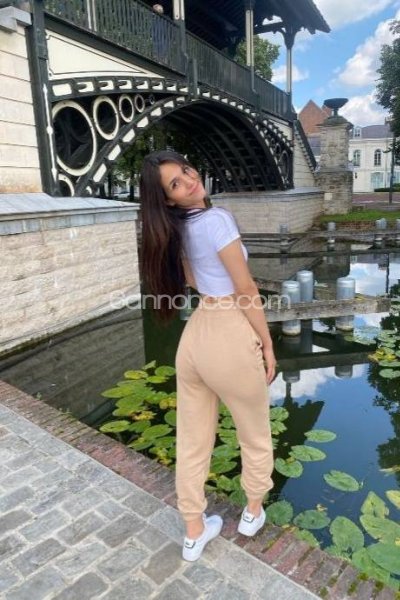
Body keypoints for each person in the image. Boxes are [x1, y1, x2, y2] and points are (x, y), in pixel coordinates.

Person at [139, 150, 276, 562]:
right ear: (168, 199)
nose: (189, 180)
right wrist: (267, 343)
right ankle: (252, 512)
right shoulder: (216, 220)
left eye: (185, 171)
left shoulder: (173, 230)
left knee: (192, 439)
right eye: (175, 184)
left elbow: (195, 279)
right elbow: (245, 289)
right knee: (254, 432)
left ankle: (193, 531)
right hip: (230, 331)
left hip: (196, 336)